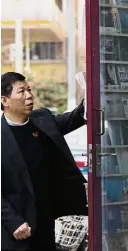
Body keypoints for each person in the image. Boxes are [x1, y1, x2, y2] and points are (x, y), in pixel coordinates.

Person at [1, 72, 88, 251]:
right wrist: (13, 221)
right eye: (21, 91)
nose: (29, 95)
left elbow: (74, 118)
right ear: (5, 101)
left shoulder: (42, 120)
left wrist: (91, 93)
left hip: (47, 224)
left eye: (29, 90)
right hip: (18, 230)